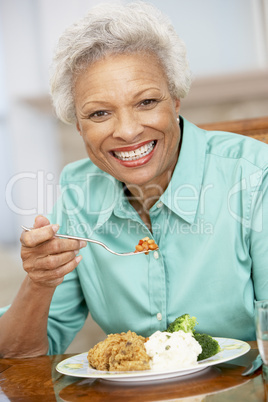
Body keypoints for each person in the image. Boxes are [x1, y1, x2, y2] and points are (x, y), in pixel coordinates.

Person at [0, 1, 267, 358]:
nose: (127, 131)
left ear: (174, 101)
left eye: (146, 102)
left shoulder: (253, 176)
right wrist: (40, 282)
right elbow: (21, 356)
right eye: (99, 113)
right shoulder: (78, 192)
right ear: (79, 126)